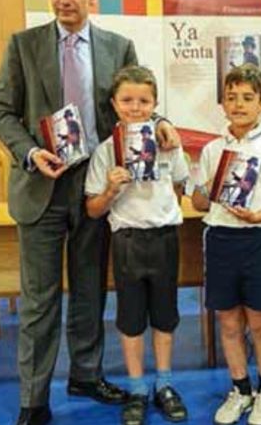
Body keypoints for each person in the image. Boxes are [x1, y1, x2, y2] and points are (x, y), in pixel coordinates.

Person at [0, 0, 178, 425]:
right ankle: (34, 399)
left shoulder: (119, 46)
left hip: (98, 188)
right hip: (41, 186)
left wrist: (164, 123)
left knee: (91, 289)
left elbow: (138, 105)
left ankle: (87, 374)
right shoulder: (23, 45)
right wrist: (32, 152)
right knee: (39, 300)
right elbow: (1, 113)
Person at [192, 64, 261, 425]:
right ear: (222, 103)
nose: (239, 104)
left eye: (248, 98)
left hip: (258, 239)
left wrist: (260, 215)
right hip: (219, 239)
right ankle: (240, 389)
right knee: (227, 321)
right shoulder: (211, 150)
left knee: (260, 322)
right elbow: (198, 203)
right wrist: (208, 186)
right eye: (231, 97)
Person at [85, 66, 189, 425]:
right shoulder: (105, 152)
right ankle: (137, 388)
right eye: (127, 100)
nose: (135, 107)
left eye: (143, 101)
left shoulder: (167, 143)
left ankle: (164, 384)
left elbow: (180, 185)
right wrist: (111, 189)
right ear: (114, 104)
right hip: (126, 241)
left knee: (165, 315)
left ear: (155, 104)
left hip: (164, 238)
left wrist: (161, 212)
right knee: (130, 319)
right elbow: (93, 209)